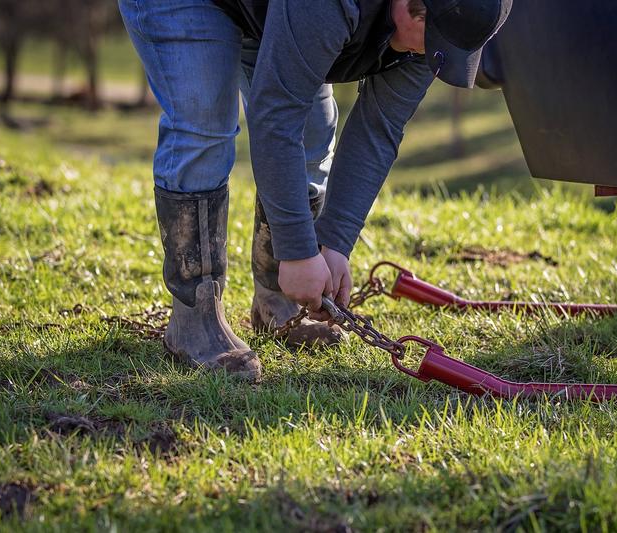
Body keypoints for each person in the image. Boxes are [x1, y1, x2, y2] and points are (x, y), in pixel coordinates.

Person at [119, 0, 513, 382]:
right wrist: (297, 251)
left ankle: (277, 299)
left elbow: (379, 130)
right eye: (433, 38)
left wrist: (333, 244)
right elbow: (276, 115)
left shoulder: (439, 30)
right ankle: (196, 317)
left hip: (271, 10)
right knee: (204, 123)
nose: (431, 54)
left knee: (312, 127)